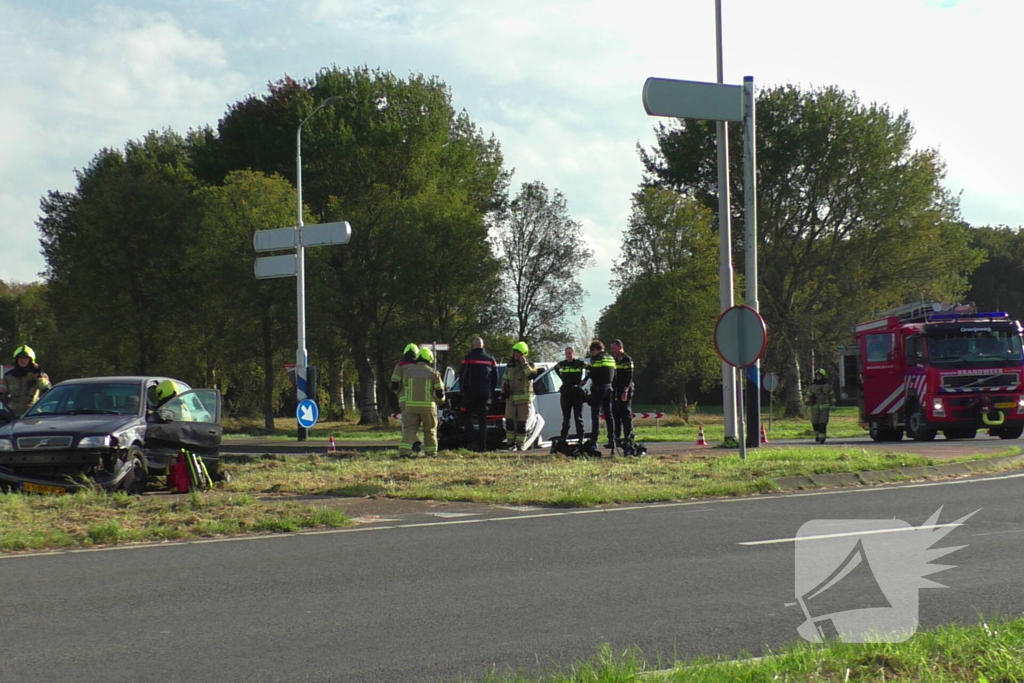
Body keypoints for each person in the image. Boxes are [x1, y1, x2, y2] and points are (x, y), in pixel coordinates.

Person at [398, 347, 445, 458]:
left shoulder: (408, 372)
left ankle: (404, 452)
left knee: (409, 430)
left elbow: (405, 385)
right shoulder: (433, 373)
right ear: (429, 359)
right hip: (428, 408)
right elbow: (440, 393)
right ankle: (431, 454)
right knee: (430, 431)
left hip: (411, 407)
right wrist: (441, 401)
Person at [458, 336, 498, 452]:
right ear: (483, 346)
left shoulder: (468, 358)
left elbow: (463, 376)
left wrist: (463, 391)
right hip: (485, 393)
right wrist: (490, 391)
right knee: (482, 420)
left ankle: (472, 441)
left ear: (473, 346)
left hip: (472, 391)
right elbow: (495, 378)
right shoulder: (490, 359)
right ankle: (482, 447)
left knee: (465, 414)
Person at [502, 341, 536, 451]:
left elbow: (532, 375)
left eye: (518, 353)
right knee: (509, 423)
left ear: (523, 353)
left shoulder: (530, 365)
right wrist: (504, 389)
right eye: (515, 353)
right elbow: (505, 378)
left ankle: (520, 445)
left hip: (524, 401)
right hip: (511, 400)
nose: (515, 355)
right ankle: (510, 444)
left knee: (522, 425)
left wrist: (524, 364)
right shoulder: (510, 365)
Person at [0, 345, 52, 417]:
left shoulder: (38, 375)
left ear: (31, 360)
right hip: (12, 414)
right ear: (16, 360)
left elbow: (47, 390)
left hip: (32, 414)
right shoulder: (8, 376)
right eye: (20, 358)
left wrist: (38, 376)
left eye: (25, 359)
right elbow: (2, 394)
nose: (22, 361)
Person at [585, 339, 616, 455]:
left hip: (599, 389)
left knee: (595, 415)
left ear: (594, 349)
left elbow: (594, 373)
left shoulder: (597, 358)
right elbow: (614, 374)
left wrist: (587, 373)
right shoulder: (611, 358)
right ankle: (612, 439)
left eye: (592, 351)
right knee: (609, 415)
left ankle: (594, 440)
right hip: (609, 388)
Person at [553, 346, 587, 445]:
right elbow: (555, 368)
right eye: (567, 353)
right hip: (566, 392)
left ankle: (581, 438)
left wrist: (585, 379)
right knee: (566, 418)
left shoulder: (579, 363)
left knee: (578, 417)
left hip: (576, 392)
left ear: (574, 354)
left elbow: (591, 369)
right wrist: (562, 379)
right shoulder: (562, 364)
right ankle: (563, 438)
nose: (568, 355)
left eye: (570, 353)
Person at [609, 339, 636, 454]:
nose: (612, 350)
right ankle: (616, 438)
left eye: (614, 348)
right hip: (616, 390)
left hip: (625, 390)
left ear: (620, 347)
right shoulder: (615, 360)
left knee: (625, 414)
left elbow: (629, 376)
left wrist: (625, 390)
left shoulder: (627, 359)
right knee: (616, 414)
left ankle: (628, 438)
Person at [390, 343, 420, 413]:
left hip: (405, 401)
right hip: (420, 401)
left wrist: (398, 393)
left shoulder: (399, 366)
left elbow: (394, 384)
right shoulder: (421, 367)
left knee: (407, 420)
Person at [807, 368, 834, 444]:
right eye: (817, 375)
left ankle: (822, 438)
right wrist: (806, 404)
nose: (818, 377)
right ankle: (817, 435)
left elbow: (832, 395)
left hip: (824, 408)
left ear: (823, 376)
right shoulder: (812, 386)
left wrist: (833, 404)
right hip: (814, 408)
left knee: (822, 423)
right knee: (815, 423)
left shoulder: (828, 386)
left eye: (820, 375)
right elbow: (808, 395)